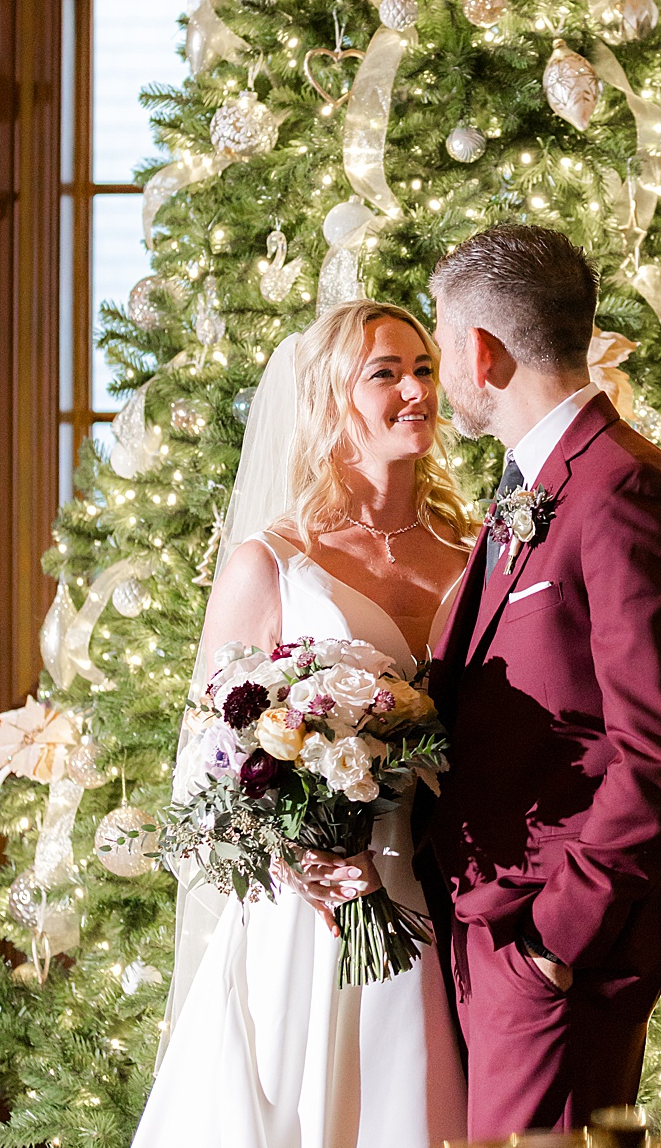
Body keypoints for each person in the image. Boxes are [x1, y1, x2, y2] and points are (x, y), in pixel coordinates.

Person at [141, 300, 474, 1148]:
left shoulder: (474, 555)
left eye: (425, 367)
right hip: (310, 913)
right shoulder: (274, 561)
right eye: (385, 372)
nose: (416, 390)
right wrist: (294, 852)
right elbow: (205, 764)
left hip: (445, 894)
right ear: (330, 399)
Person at [423, 224, 661, 1136]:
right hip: (490, 927)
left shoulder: (623, 487)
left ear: (480, 351)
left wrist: (554, 940)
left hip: (557, 956)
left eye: (440, 342)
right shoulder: (539, 478)